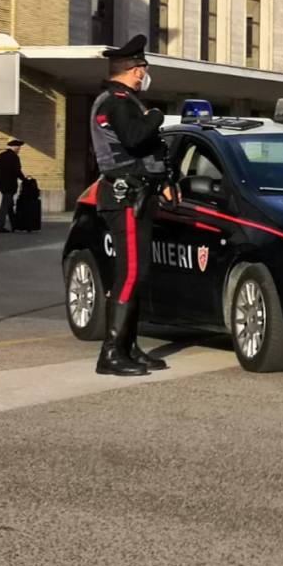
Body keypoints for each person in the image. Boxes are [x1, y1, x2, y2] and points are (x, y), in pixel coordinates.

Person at [90, 34, 172, 376]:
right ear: (135, 70)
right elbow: (136, 138)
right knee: (130, 275)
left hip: (138, 195)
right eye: (142, 68)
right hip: (125, 197)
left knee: (138, 275)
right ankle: (110, 353)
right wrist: (156, 115)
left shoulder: (122, 100)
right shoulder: (117, 102)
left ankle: (128, 346)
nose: (144, 74)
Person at [0, 139, 25, 233]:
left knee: (9, 205)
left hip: (2, 185)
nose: (19, 149)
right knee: (5, 205)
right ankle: (0, 226)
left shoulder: (1, 155)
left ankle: (14, 225)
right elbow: (17, 171)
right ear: (13, 147)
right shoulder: (14, 157)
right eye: (18, 147)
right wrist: (24, 180)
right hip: (9, 185)